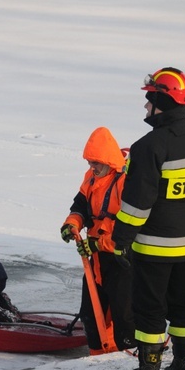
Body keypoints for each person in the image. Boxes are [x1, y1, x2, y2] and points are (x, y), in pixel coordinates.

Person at [111, 67, 185, 370]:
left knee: (150, 311)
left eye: (149, 100)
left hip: (155, 247)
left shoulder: (148, 146)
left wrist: (120, 239)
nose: (145, 107)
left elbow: (137, 204)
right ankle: (184, 368)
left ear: (161, 100)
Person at [60, 126, 136, 355]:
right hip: (94, 256)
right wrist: (71, 224)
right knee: (92, 311)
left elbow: (131, 225)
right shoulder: (91, 178)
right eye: (89, 162)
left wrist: (101, 243)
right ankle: (97, 356)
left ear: (108, 161)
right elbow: (80, 206)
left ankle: (130, 357)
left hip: (121, 257)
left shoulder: (126, 182)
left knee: (124, 311)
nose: (91, 167)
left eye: (96, 163)